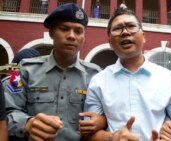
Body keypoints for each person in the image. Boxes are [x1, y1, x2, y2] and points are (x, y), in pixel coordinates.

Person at [83, 7, 171, 141]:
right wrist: (113, 138)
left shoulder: (167, 78)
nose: (125, 32)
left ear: (143, 36)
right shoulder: (98, 81)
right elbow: (88, 133)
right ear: (110, 42)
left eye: (131, 26)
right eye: (117, 28)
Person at [5, 3, 106, 141]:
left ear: (84, 36)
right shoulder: (25, 69)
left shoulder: (96, 75)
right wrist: (27, 123)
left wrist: (102, 120)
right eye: (64, 29)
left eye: (78, 31)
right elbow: (6, 112)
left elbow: (109, 114)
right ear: (51, 33)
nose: (71, 36)